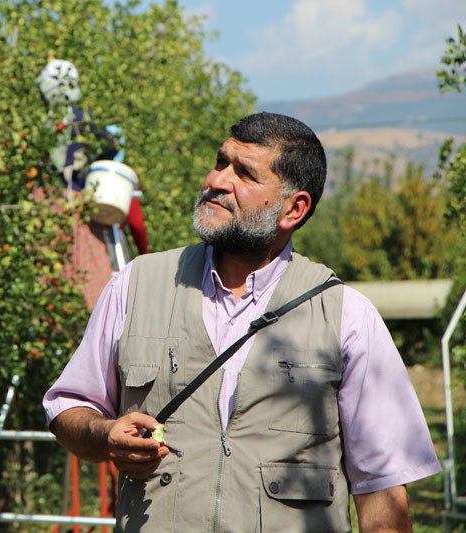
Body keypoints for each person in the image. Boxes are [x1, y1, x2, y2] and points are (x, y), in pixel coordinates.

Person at [42, 112, 441, 532]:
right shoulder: (134, 285)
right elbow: (67, 406)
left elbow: (381, 490)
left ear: (294, 208)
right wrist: (105, 434)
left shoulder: (346, 315)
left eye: (244, 173)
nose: (217, 181)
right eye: (220, 163)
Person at [34, 59, 149, 310]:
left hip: (42, 199)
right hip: (74, 199)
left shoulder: (37, 123)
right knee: (88, 268)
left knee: (49, 269)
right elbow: (109, 145)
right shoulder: (80, 119)